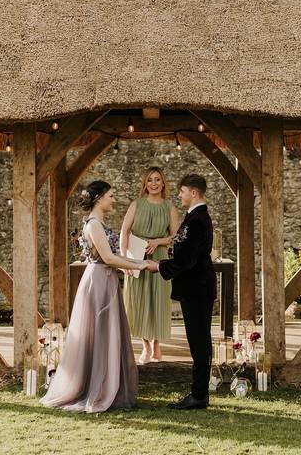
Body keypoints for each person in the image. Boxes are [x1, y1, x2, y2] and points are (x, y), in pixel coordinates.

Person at [41, 181, 150, 413]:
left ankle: (107, 385)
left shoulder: (98, 223)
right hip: (99, 281)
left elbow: (111, 258)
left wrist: (130, 264)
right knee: (99, 334)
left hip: (105, 279)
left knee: (106, 333)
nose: (114, 199)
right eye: (111, 195)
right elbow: (108, 259)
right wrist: (142, 264)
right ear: (99, 198)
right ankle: (98, 389)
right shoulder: (94, 225)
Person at [144, 173, 216, 410]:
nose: (180, 195)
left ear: (193, 193)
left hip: (197, 287)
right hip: (194, 287)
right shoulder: (194, 217)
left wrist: (160, 266)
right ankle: (199, 393)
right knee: (198, 340)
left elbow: (188, 259)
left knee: (199, 342)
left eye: (183, 191)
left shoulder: (197, 220)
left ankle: (199, 395)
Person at [120, 166, 179, 364]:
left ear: (163, 183)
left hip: (159, 257)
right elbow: (124, 232)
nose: (154, 183)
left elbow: (176, 237)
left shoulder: (169, 206)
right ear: (145, 184)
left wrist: (159, 242)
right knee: (139, 300)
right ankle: (145, 346)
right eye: (150, 180)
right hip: (136, 255)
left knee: (158, 300)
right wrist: (124, 258)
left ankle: (156, 343)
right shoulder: (136, 204)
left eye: (157, 180)